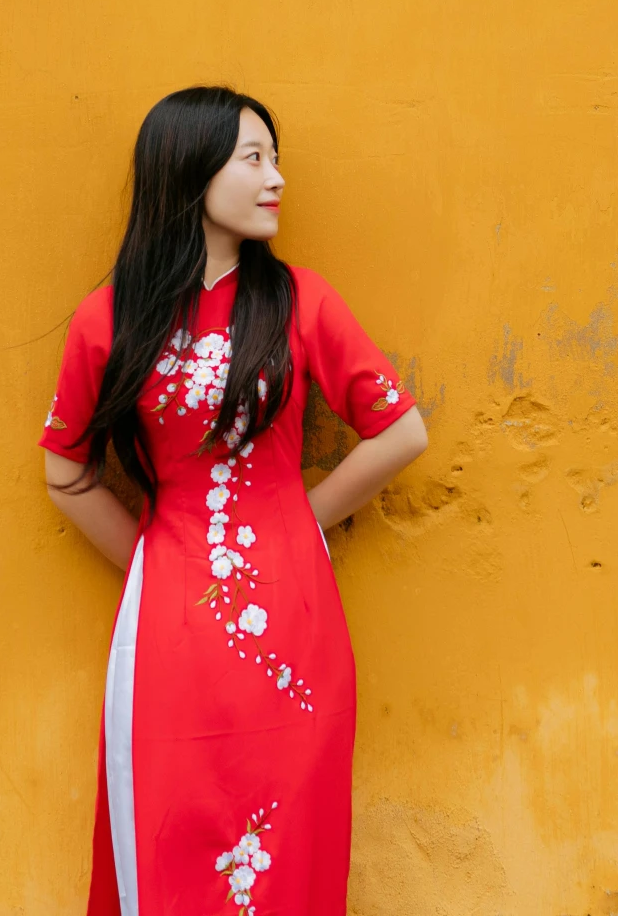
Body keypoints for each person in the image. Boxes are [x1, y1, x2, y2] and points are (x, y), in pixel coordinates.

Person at [40, 86, 429, 916]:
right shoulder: (108, 319)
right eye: (253, 158)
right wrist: (155, 557)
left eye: (274, 157)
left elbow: (400, 432)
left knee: (289, 860)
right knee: (166, 838)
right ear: (189, 174)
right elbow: (63, 468)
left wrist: (296, 522)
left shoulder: (302, 302)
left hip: (294, 629)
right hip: (165, 638)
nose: (275, 178)